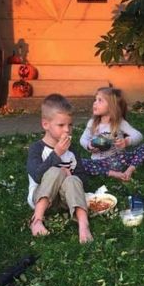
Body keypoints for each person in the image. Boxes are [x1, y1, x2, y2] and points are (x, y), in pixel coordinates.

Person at [27, 94, 94, 243]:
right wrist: (56, 153)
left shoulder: (72, 149)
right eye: (61, 125)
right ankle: (37, 220)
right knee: (55, 171)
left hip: (65, 201)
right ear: (46, 125)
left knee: (72, 179)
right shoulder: (37, 149)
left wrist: (70, 175)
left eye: (70, 125)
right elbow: (37, 176)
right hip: (41, 198)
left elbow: (83, 178)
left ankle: (83, 224)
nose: (67, 130)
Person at [79, 86, 144, 183]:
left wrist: (126, 141)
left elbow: (138, 135)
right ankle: (113, 174)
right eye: (95, 100)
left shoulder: (119, 123)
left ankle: (129, 170)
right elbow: (83, 139)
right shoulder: (92, 123)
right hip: (99, 162)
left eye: (100, 100)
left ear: (112, 106)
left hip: (120, 159)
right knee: (79, 163)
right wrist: (89, 146)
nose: (95, 103)